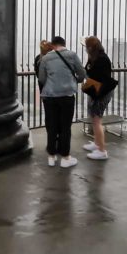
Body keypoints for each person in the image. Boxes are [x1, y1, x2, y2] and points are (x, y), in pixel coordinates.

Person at [38, 36, 86, 168]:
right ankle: (65, 158)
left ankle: (51, 156)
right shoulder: (72, 55)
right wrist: (75, 80)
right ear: (64, 44)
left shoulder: (45, 58)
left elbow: (42, 79)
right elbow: (82, 74)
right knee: (65, 127)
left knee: (51, 125)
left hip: (50, 96)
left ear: (53, 45)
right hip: (67, 95)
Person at [81, 36, 117, 160]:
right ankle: (97, 144)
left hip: (102, 92)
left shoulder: (101, 59)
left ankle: (102, 150)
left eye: (86, 47)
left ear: (91, 48)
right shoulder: (97, 57)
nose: (85, 49)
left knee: (97, 120)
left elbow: (93, 75)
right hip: (100, 91)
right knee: (95, 118)